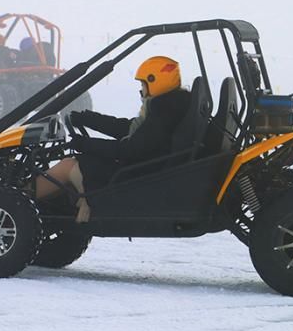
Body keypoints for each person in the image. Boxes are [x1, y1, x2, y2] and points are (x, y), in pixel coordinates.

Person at [30, 56, 190, 222]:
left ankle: (18, 200)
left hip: (136, 178)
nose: (141, 90)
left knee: (67, 166)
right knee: (75, 164)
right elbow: (130, 130)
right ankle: (42, 208)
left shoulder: (164, 112)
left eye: (143, 84)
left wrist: (84, 144)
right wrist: (90, 119)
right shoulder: (170, 107)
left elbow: (129, 149)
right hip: (143, 170)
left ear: (155, 81)